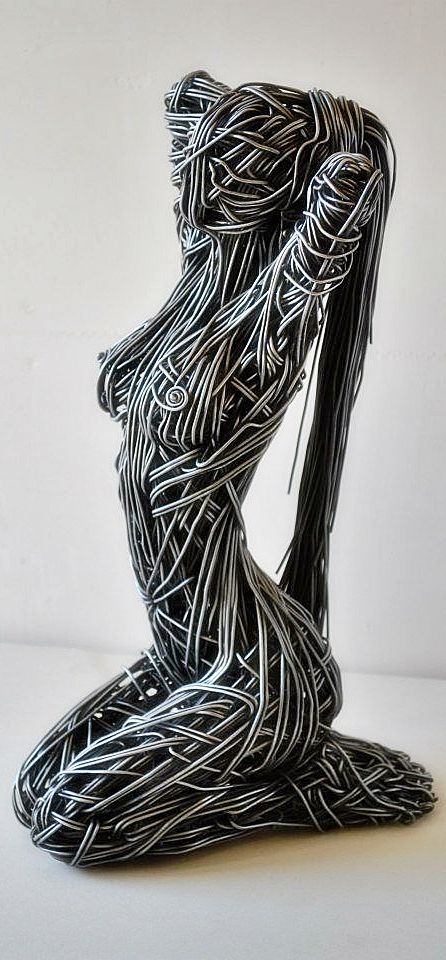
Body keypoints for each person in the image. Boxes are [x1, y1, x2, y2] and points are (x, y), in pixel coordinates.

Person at [14, 72, 435, 865]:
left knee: (73, 819)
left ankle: (306, 783)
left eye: (221, 173)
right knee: (35, 790)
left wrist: (328, 203)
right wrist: (205, 127)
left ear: (267, 195)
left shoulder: (273, 319)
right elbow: (189, 126)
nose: (193, 192)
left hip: (254, 670)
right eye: (191, 171)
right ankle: (278, 768)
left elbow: (336, 203)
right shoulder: (193, 302)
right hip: (183, 654)